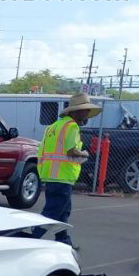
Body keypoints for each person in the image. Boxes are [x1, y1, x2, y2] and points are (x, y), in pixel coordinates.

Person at [33, 93, 102, 247]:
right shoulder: (71, 126)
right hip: (62, 176)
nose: (87, 115)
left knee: (62, 211)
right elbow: (71, 151)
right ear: (76, 111)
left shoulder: (54, 126)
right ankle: (30, 238)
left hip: (51, 175)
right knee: (52, 212)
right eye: (85, 111)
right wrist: (83, 153)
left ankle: (63, 241)